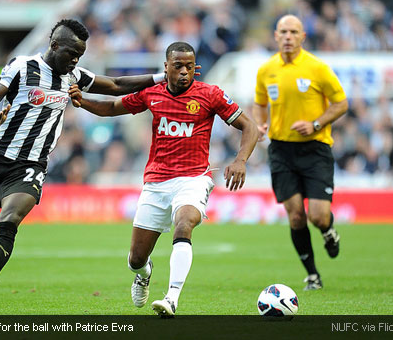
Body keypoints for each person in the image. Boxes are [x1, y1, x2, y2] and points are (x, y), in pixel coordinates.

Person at [0, 18, 175, 317]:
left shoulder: (73, 75)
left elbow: (114, 86)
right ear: (54, 46)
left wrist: (160, 77)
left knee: (10, 219)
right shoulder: (22, 67)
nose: (76, 60)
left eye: (81, 55)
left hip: (30, 164)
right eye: (71, 53)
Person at [73, 41, 258, 317]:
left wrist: (241, 160)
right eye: (178, 66)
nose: (184, 72)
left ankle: (171, 298)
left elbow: (249, 126)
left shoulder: (210, 94)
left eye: (189, 67)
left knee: (184, 224)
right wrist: (82, 100)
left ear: (196, 68)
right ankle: (144, 274)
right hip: (156, 182)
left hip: (194, 178)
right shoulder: (151, 93)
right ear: (166, 67)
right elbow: (112, 108)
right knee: (136, 259)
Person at [252, 14, 348, 290]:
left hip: (315, 149)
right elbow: (259, 102)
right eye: (283, 31)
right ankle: (313, 275)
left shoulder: (317, 68)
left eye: (294, 32)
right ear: (275, 36)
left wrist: (316, 123)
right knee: (295, 216)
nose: (288, 37)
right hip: (281, 149)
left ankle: (328, 230)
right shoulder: (266, 69)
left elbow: (341, 103)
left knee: (317, 215)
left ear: (303, 36)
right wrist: (261, 124)